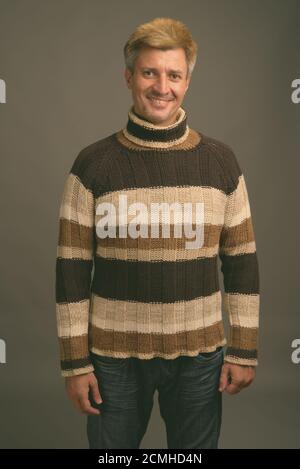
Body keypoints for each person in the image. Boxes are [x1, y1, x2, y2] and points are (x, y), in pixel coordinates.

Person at [55, 17, 260, 449]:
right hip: (112, 359)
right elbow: (71, 271)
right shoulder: (92, 165)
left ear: (187, 81)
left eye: (173, 75)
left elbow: (241, 263)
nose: (161, 86)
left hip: (200, 357)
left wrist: (243, 350)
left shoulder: (221, 163)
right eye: (149, 72)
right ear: (129, 77)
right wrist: (75, 364)